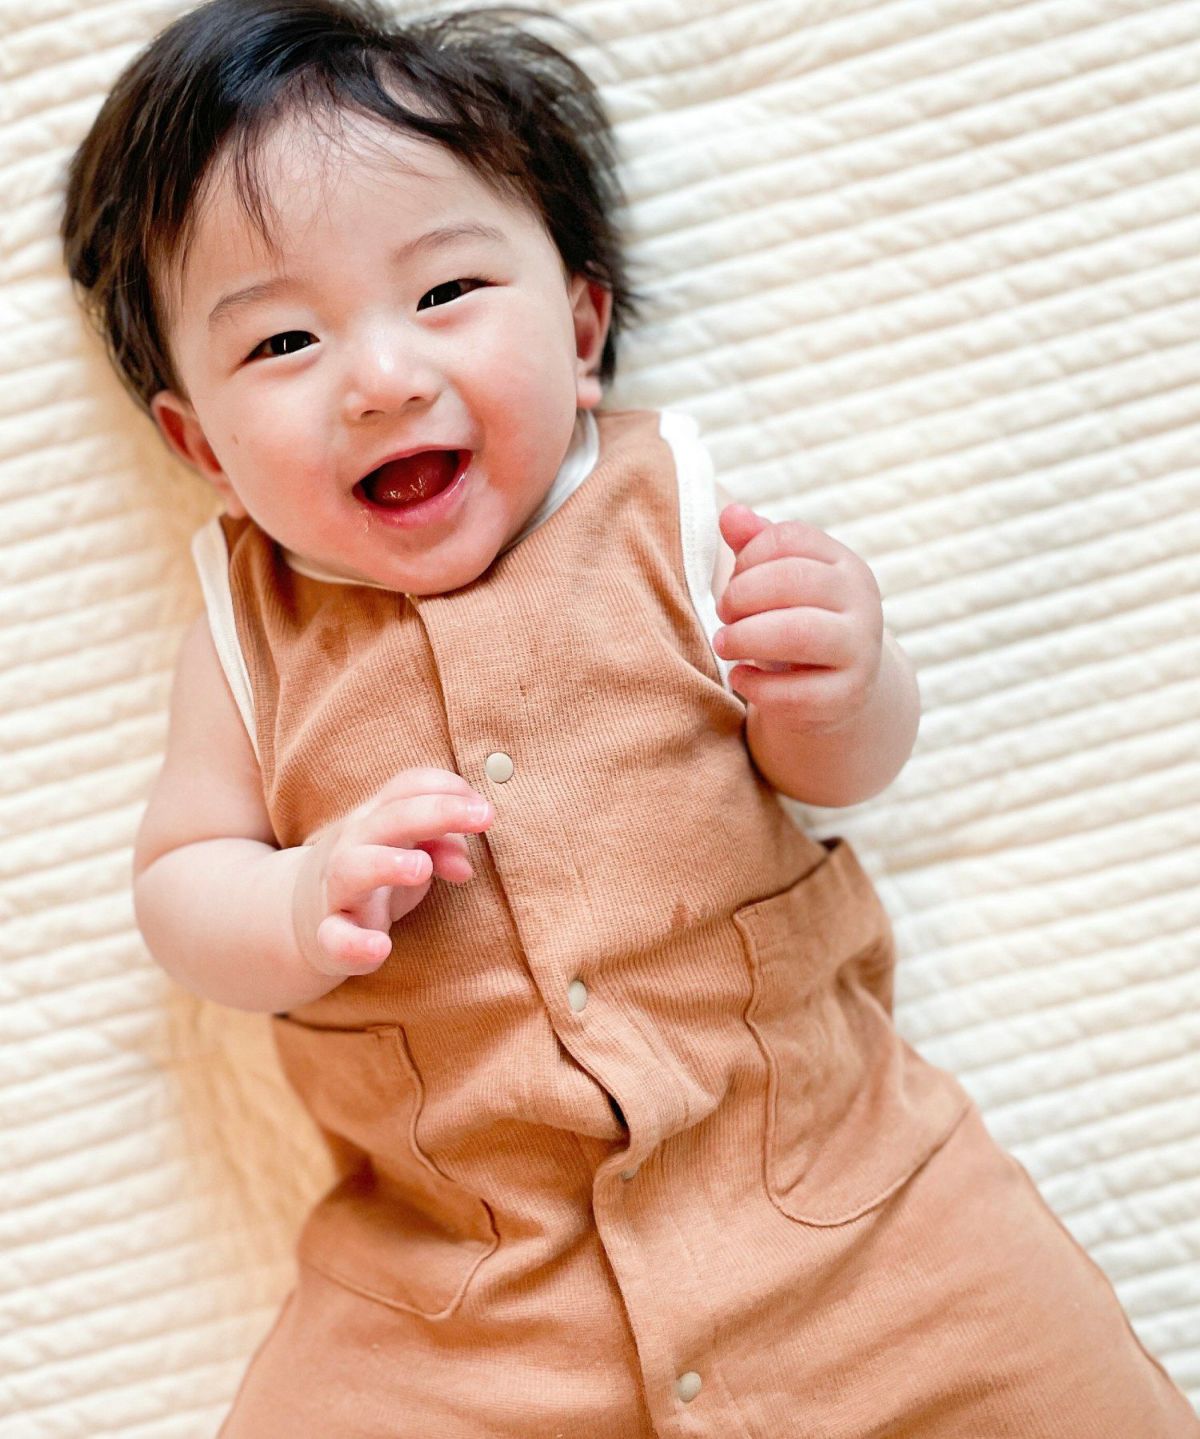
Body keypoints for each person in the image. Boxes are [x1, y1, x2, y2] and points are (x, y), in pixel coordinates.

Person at [60, 1, 1199, 1434]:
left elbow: (837, 773)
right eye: (284, 340)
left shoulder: (672, 518)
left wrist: (848, 685)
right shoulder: (247, 634)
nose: (383, 379)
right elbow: (179, 885)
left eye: (445, 292)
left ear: (582, 327)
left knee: (1040, 1370)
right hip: (471, 1287)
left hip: (847, 1203)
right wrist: (295, 901)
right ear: (201, 447)